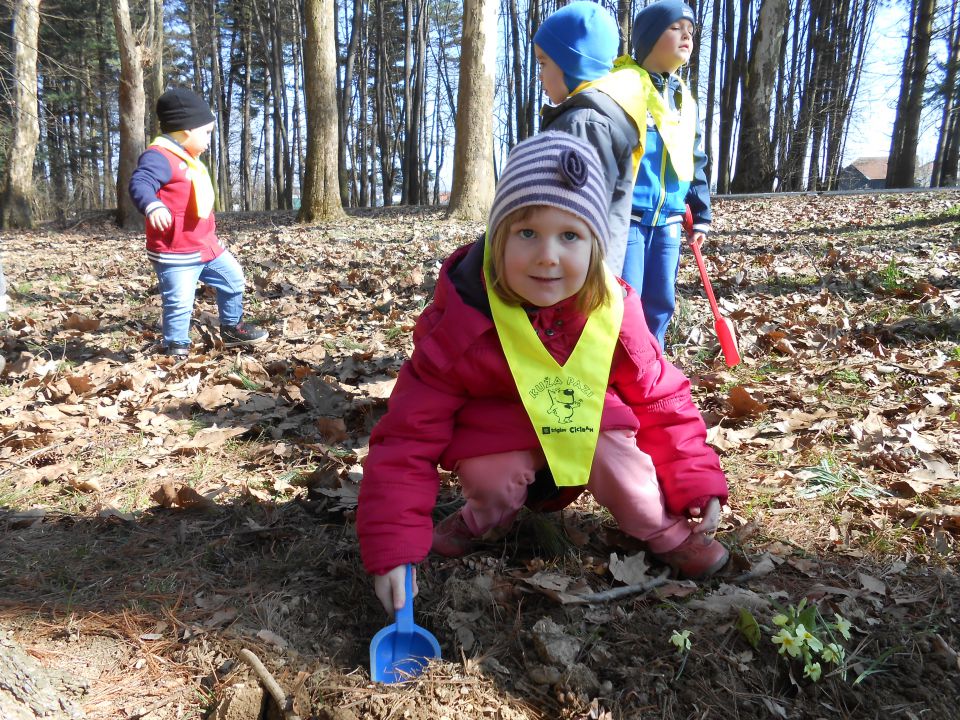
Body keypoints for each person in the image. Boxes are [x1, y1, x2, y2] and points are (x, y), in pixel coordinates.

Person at [357, 133, 729, 617]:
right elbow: (407, 436)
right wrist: (392, 547)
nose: (548, 255)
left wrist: (695, 481)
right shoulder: (464, 319)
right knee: (495, 480)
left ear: (595, 245)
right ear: (497, 240)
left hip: (588, 420)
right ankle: (480, 520)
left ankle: (664, 531)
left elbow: (661, 397)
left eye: (570, 235)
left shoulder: (612, 308)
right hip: (498, 433)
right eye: (527, 233)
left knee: (630, 474)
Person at [129, 87, 267, 357]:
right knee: (180, 302)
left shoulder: (190, 160)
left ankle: (231, 328)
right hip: (176, 250)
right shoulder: (160, 156)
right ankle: (176, 346)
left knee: (233, 279)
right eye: (206, 133)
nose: (208, 140)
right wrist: (152, 204)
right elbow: (141, 182)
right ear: (186, 130)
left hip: (206, 245)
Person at [534, 0, 647, 277]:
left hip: (574, 275)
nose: (539, 75)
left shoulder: (584, 123)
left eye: (543, 62)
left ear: (574, 63)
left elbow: (575, 213)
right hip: (580, 269)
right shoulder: (589, 117)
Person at [624, 0, 712, 348]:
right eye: (676, 28)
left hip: (670, 218)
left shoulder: (684, 99)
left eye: (690, 31)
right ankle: (621, 371)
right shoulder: (625, 85)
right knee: (626, 300)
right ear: (647, 39)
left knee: (660, 301)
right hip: (629, 215)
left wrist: (700, 213)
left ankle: (652, 366)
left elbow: (694, 158)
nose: (686, 36)